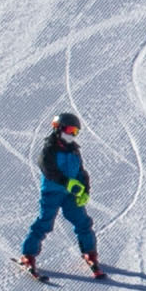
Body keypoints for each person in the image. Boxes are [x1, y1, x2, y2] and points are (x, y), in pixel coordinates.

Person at [19, 111, 106, 280]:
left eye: (75, 132)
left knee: (83, 222)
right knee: (44, 223)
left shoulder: (74, 150)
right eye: (69, 130)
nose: (72, 135)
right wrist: (66, 182)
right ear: (58, 129)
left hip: (70, 195)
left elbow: (81, 172)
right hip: (52, 193)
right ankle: (28, 255)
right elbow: (48, 169)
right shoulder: (49, 150)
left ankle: (89, 253)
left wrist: (85, 190)